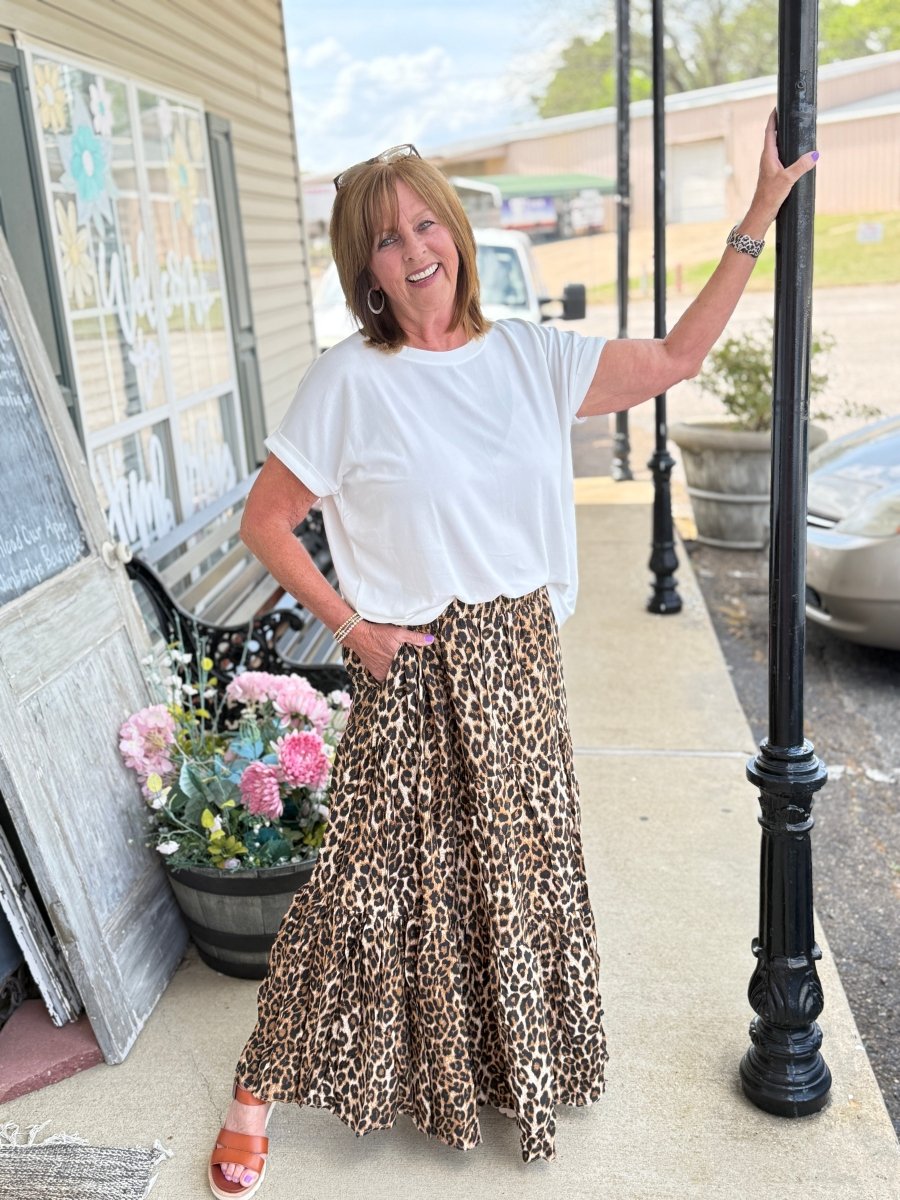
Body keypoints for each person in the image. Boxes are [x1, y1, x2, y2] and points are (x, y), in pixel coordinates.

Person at [208, 116, 817, 1197]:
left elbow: (677, 358)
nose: (415, 250)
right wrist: (349, 627)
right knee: (363, 885)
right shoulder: (349, 380)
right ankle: (256, 1090)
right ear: (366, 270)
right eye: (386, 239)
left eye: (426, 224)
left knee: (510, 879)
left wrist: (757, 215)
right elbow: (267, 521)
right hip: (414, 663)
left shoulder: (532, 357)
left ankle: (499, 1073)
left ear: (455, 232)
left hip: (521, 661)